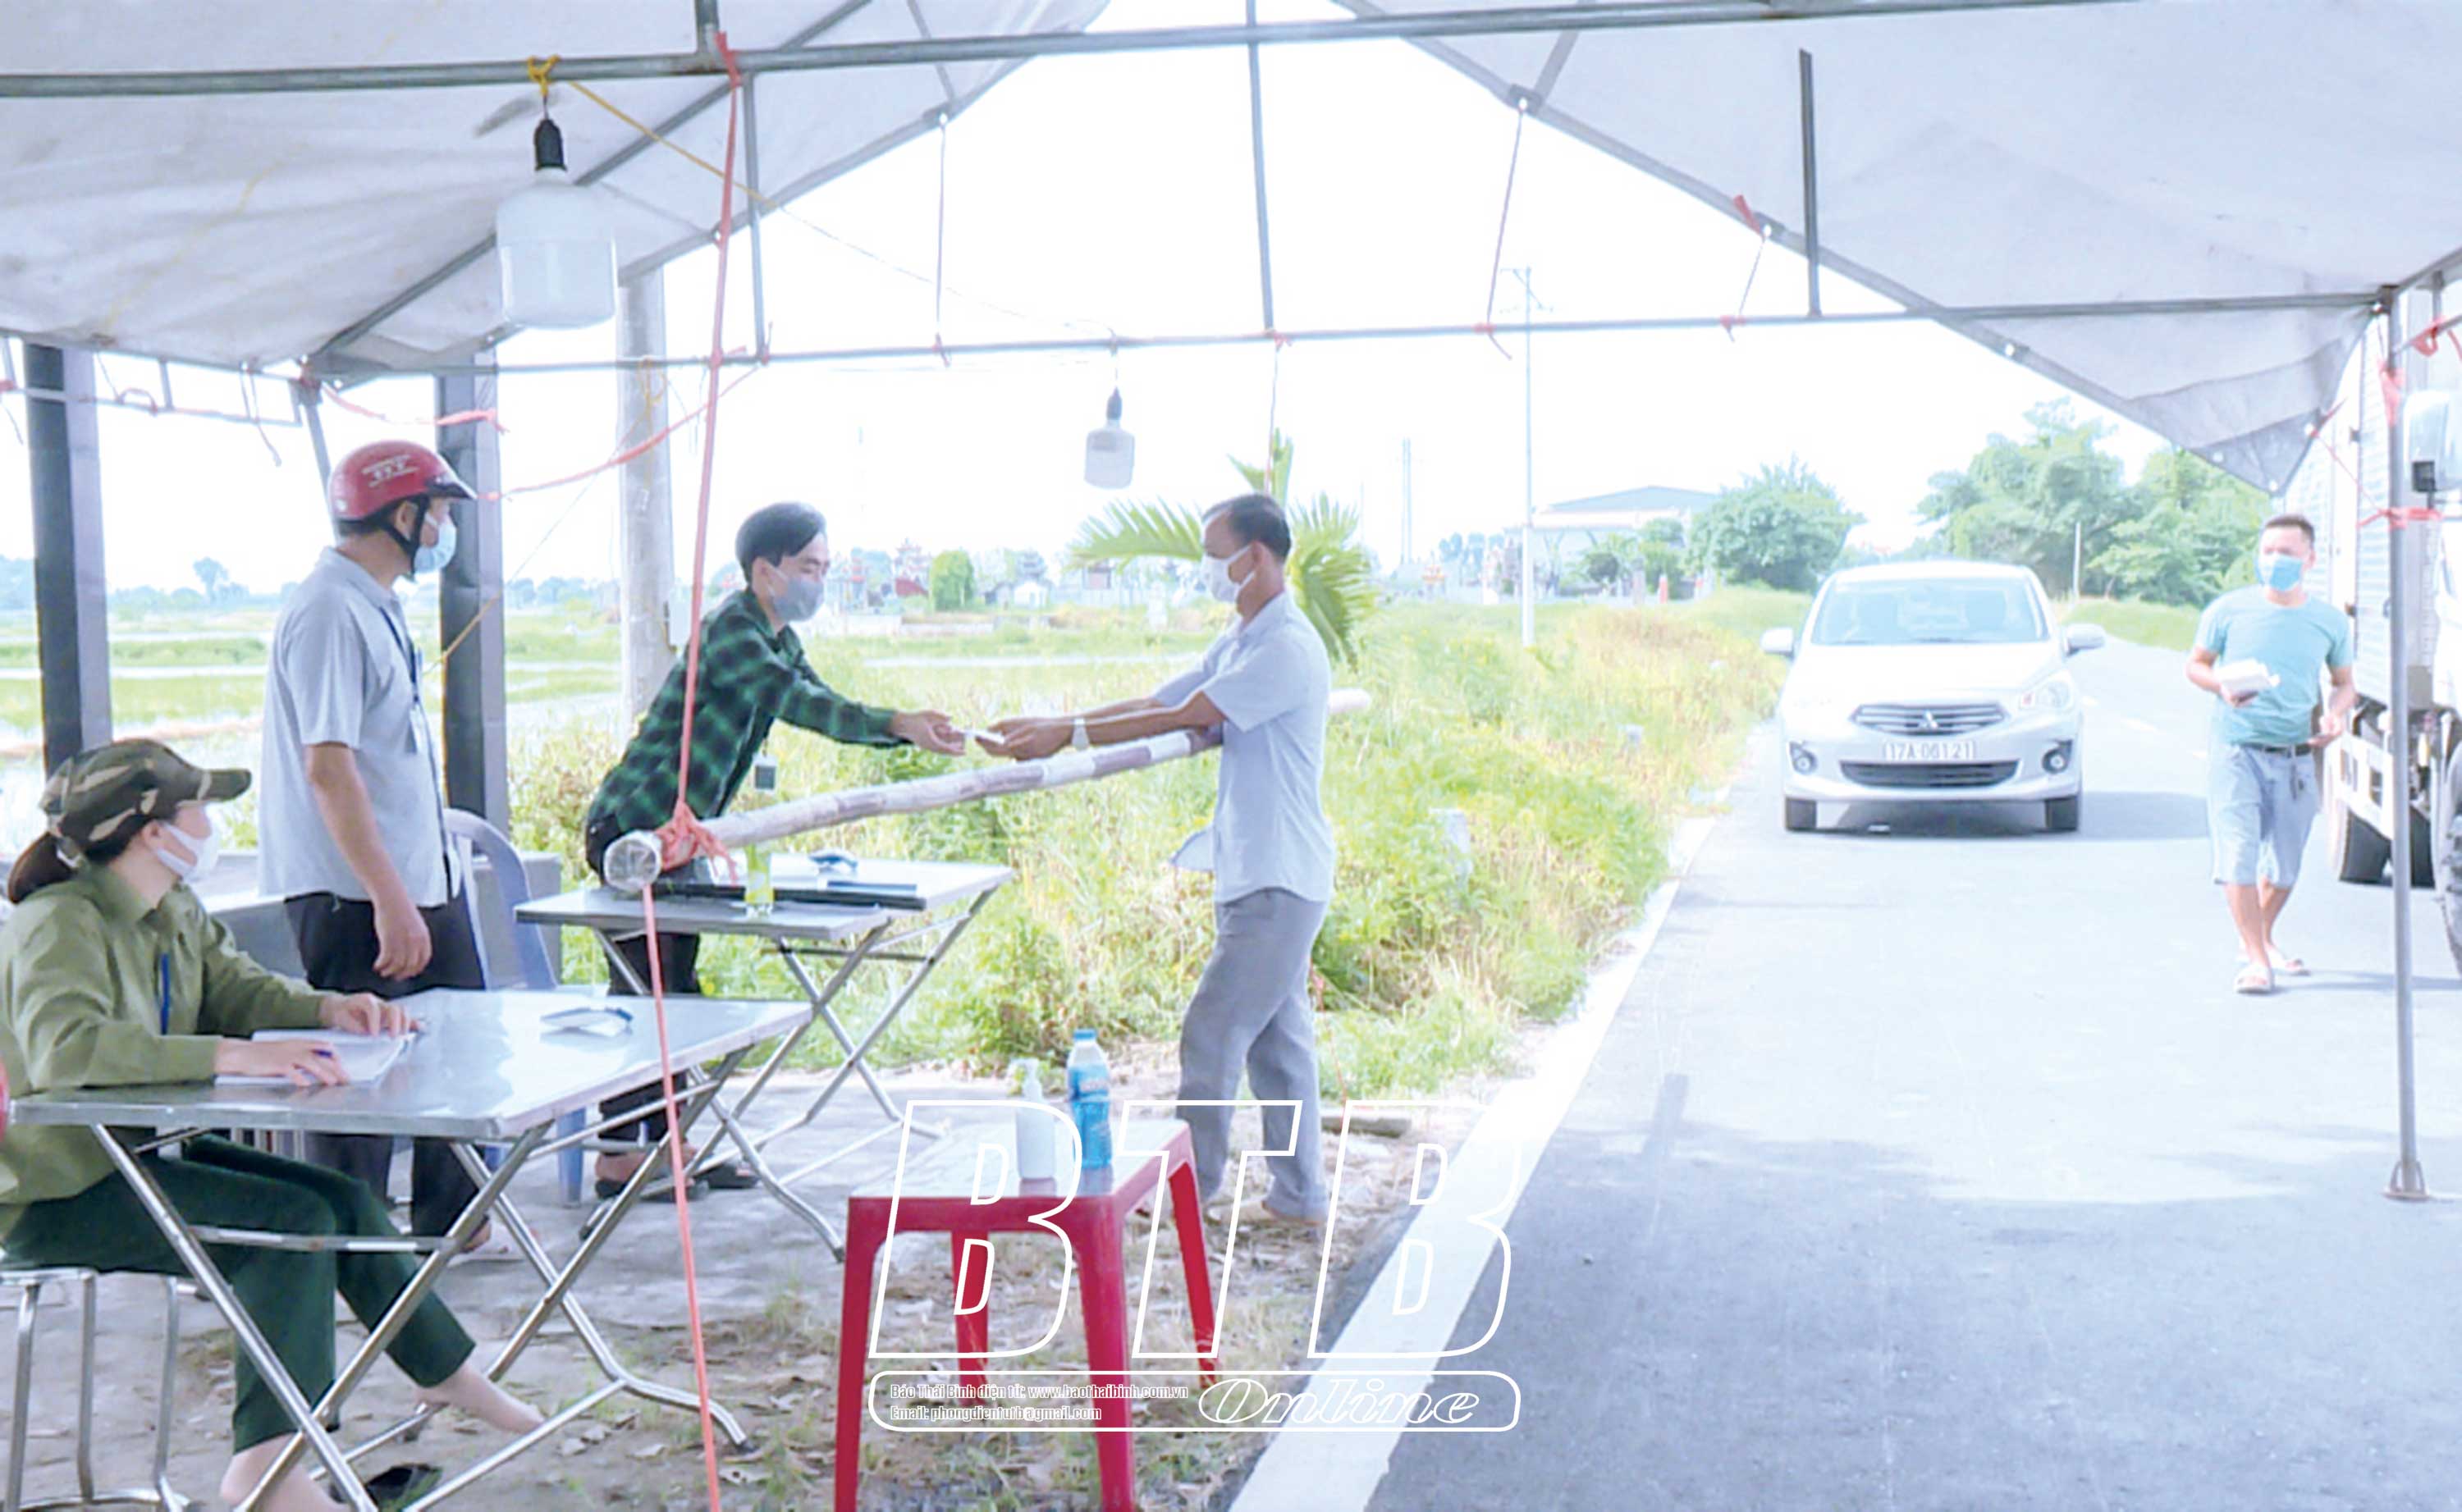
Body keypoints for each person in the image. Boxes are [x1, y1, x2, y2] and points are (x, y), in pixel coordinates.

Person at [0, 740, 542, 1512]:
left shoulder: (172, 904)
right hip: (57, 1192)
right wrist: (234, 1055)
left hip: (140, 1155)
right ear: (152, 832)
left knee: (342, 1200)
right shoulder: (58, 923)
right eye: (197, 808)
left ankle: (445, 1371)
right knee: (288, 1230)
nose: (208, 823)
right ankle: (265, 1466)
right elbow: (67, 1050)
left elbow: (237, 987)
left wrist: (329, 1008)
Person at [582, 501, 964, 1197]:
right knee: (648, 995)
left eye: (824, 567)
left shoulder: (777, 637)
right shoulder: (734, 633)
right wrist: (898, 724)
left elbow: (816, 692)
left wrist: (902, 727)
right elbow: (804, 705)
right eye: (809, 567)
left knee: (674, 993)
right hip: (633, 833)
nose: (820, 580)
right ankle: (618, 1153)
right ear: (766, 571)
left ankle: (670, 1145)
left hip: (682, 838)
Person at [989, 493, 1334, 1223]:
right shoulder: (1243, 638)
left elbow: (1189, 715)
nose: (1207, 569)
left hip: (1278, 876)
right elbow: (1161, 697)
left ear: (1256, 556)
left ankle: (1191, 1187)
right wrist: (1059, 723)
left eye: (1215, 555)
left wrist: (1069, 735)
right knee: (1277, 1045)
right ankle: (1298, 1194)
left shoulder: (1286, 648)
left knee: (1213, 1030)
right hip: (1258, 870)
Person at [258, 439, 494, 1245]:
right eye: (438, 513)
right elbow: (329, 768)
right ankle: (348, 1245)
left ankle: (447, 1227)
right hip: (357, 893)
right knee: (359, 1082)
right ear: (402, 514)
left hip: (418, 880)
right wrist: (390, 899)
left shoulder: (373, 604)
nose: (443, 530)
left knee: (459, 1054)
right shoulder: (329, 611)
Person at [2185, 512, 2355, 994]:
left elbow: (2344, 684)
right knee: (2237, 855)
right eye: (2268, 552)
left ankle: (2259, 936)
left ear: (2310, 559)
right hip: (2237, 750)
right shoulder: (2227, 611)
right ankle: (2258, 961)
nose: (2275, 560)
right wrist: (2221, 686)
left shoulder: (2328, 621)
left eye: (2286, 552)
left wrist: (2335, 715)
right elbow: (2196, 665)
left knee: (2284, 865)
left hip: (2296, 755)